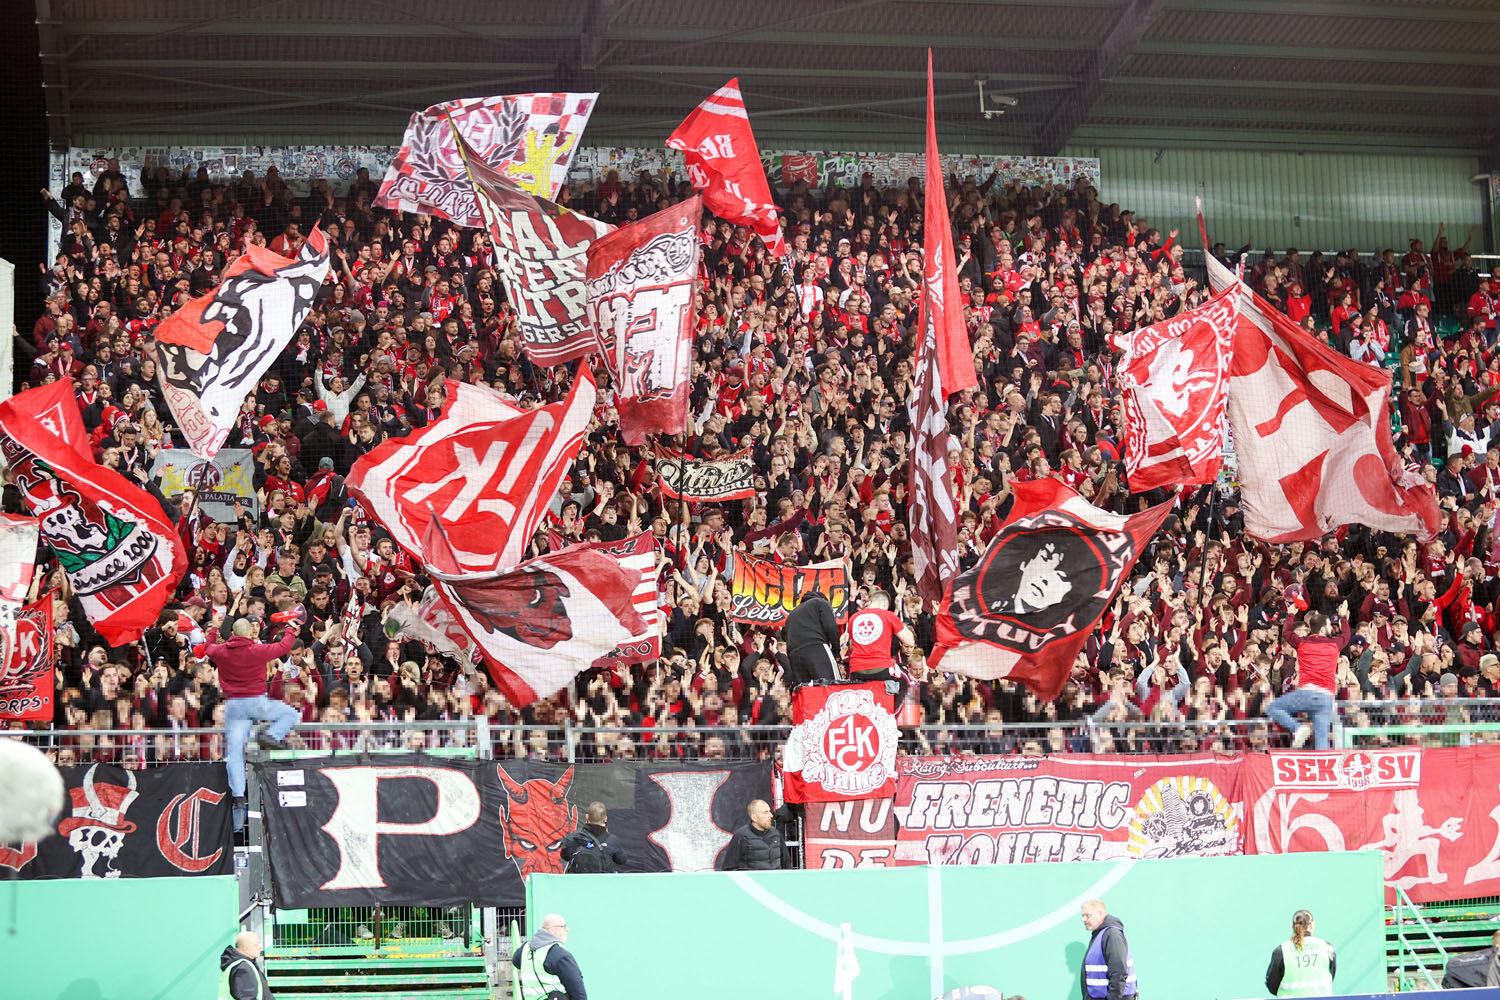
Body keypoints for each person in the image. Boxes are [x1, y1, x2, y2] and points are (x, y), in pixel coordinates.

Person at [205, 611, 304, 830]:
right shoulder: (256, 649)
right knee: (290, 714)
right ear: (250, 633)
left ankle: (239, 799)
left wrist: (213, 629)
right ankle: (271, 735)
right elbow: (283, 648)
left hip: (234, 706)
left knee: (234, 755)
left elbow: (208, 648)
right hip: (257, 701)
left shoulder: (221, 651)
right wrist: (289, 630)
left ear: (232, 633)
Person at [1269, 609, 1349, 749]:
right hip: (1326, 698)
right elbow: (1347, 634)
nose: (1332, 628)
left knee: (1273, 708)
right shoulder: (1334, 644)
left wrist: (1291, 615)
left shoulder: (1302, 643)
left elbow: (1287, 633)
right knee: (1322, 742)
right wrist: (1342, 617)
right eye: (1330, 625)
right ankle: (1323, 768)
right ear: (1323, 629)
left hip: (1307, 694)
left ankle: (1297, 728)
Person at [845, 589, 916, 693]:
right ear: (884, 604)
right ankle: (895, 709)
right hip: (881, 668)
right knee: (910, 684)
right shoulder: (888, 615)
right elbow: (909, 641)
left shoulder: (853, 618)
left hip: (856, 670)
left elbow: (851, 647)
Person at [512, 912, 587, 1000]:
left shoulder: (525, 948)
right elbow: (577, 990)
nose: (567, 929)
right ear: (552, 929)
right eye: (563, 926)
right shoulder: (559, 954)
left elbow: (516, 961)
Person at [1265, 909, 1336, 996]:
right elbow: (1331, 976)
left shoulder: (1282, 950)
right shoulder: (1327, 948)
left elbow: (1272, 984)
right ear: (1311, 925)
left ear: (1293, 926)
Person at [1079, 898, 1137, 1000]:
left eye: (1087, 915)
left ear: (1100, 914)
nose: (1084, 919)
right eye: (1082, 915)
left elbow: (1118, 973)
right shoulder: (1101, 934)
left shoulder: (1112, 935)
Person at [783, 589, 840, 688]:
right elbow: (831, 627)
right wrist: (836, 651)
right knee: (831, 686)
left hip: (794, 655)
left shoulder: (792, 614)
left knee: (805, 691)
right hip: (816, 648)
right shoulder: (820, 602)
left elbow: (784, 634)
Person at [719, 799, 791, 871]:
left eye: (769, 811)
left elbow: (786, 864)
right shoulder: (741, 836)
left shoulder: (776, 834)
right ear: (754, 817)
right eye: (765, 812)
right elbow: (729, 868)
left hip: (775, 881)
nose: (771, 815)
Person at [559, 801, 626, 874]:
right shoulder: (612, 840)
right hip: (602, 883)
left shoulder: (572, 838)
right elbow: (621, 860)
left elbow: (565, 856)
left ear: (587, 816)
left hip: (578, 883)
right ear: (605, 819)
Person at [220, 931, 275, 1000]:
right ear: (246, 949)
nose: (259, 947)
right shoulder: (243, 968)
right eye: (256, 945)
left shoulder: (238, 964)